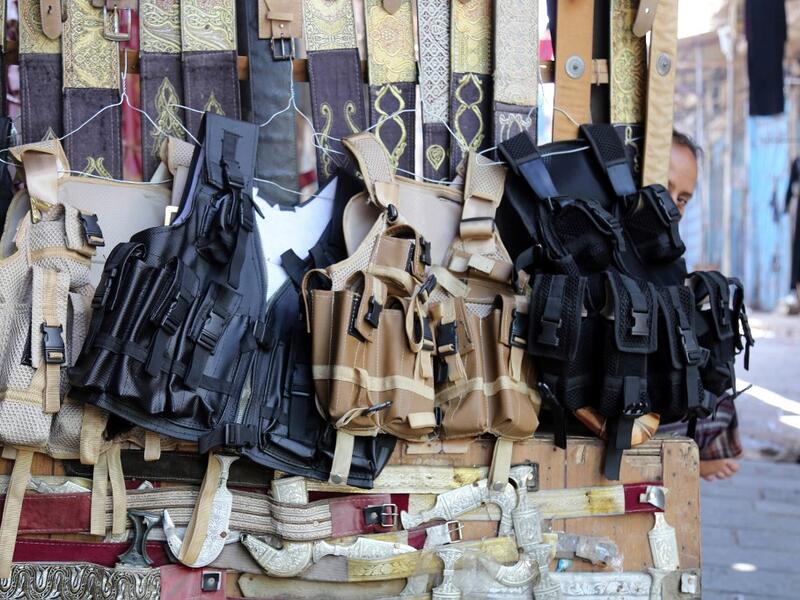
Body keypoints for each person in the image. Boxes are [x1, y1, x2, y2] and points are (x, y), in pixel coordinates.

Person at [659, 130, 743, 481]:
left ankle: (693, 455)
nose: (673, 205)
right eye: (667, 188)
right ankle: (683, 459)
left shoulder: (666, 246)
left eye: (683, 199)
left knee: (717, 366)